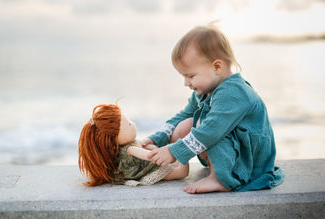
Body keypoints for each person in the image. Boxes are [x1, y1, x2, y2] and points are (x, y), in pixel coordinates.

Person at [142, 24, 284, 194]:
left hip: (249, 162)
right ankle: (178, 167)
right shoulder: (206, 89)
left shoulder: (233, 92)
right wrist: (158, 139)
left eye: (190, 76)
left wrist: (174, 151)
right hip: (231, 151)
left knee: (205, 123)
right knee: (186, 123)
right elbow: (185, 114)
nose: (186, 83)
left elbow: (211, 130)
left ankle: (222, 179)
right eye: (183, 76)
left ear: (217, 67)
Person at [78, 103, 189, 187]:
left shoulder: (126, 145)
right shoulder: (129, 149)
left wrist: (152, 147)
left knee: (161, 154)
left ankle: (179, 157)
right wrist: (173, 150)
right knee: (180, 172)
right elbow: (150, 156)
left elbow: (144, 148)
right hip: (143, 169)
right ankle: (184, 155)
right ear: (115, 138)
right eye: (129, 124)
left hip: (143, 163)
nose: (133, 124)